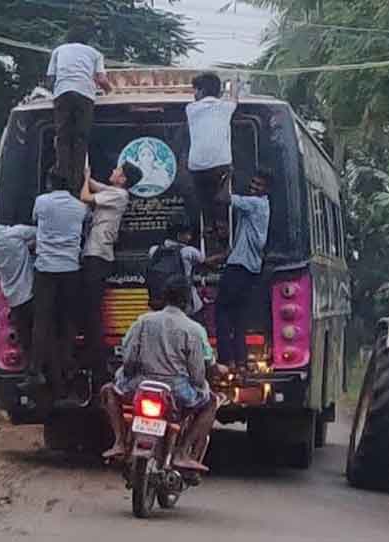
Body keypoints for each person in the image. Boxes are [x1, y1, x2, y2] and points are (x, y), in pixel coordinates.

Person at [100, 275, 226, 469]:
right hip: (177, 391)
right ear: (187, 301)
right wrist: (201, 384)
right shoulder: (194, 329)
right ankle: (182, 452)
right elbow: (198, 372)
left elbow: (129, 357)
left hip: (139, 385)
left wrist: (130, 376)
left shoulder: (143, 321)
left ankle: (119, 442)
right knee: (210, 401)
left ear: (165, 297)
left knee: (109, 390)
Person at [80, 162, 143, 379]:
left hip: (97, 253)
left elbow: (86, 197)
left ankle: (95, 355)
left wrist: (84, 183)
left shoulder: (119, 196)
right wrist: (86, 174)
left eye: (117, 170)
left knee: (92, 308)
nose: (112, 172)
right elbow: (94, 186)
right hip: (96, 252)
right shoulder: (115, 192)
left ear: (123, 179)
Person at [32, 170, 88, 397]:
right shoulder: (80, 207)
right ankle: (67, 364)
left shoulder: (42, 201)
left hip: (45, 269)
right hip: (70, 269)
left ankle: (36, 367)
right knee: (67, 321)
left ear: (49, 184)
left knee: (42, 321)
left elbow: (35, 221)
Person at [46, 22, 113, 196]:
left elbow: (51, 78)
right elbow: (101, 79)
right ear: (87, 41)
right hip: (85, 96)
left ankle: (62, 174)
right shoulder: (95, 53)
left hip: (63, 93)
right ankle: (77, 180)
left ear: (68, 38)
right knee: (80, 138)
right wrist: (110, 92)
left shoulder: (58, 51)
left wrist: (53, 93)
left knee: (63, 136)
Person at [214, 169, 271, 370]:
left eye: (259, 185)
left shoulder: (254, 204)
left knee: (220, 310)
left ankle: (224, 358)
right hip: (251, 269)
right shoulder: (261, 206)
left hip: (239, 266)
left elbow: (222, 198)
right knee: (238, 317)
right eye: (253, 183)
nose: (253, 187)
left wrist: (227, 176)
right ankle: (240, 360)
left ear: (266, 190)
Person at [186, 72, 238, 236]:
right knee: (221, 199)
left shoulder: (191, 109)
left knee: (203, 199)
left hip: (197, 166)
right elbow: (234, 97)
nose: (194, 94)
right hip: (221, 166)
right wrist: (234, 81)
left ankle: (208, 225)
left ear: (201, 91)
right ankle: (222, 224)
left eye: (196, 90)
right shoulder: (226, 107)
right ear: (218, 92)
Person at [0, 223, 38, 356]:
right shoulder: (15, 232)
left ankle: (30, 369)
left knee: (25, 337)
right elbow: (40, 233)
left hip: (13, 300)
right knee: (40, 332)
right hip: (31, 293)